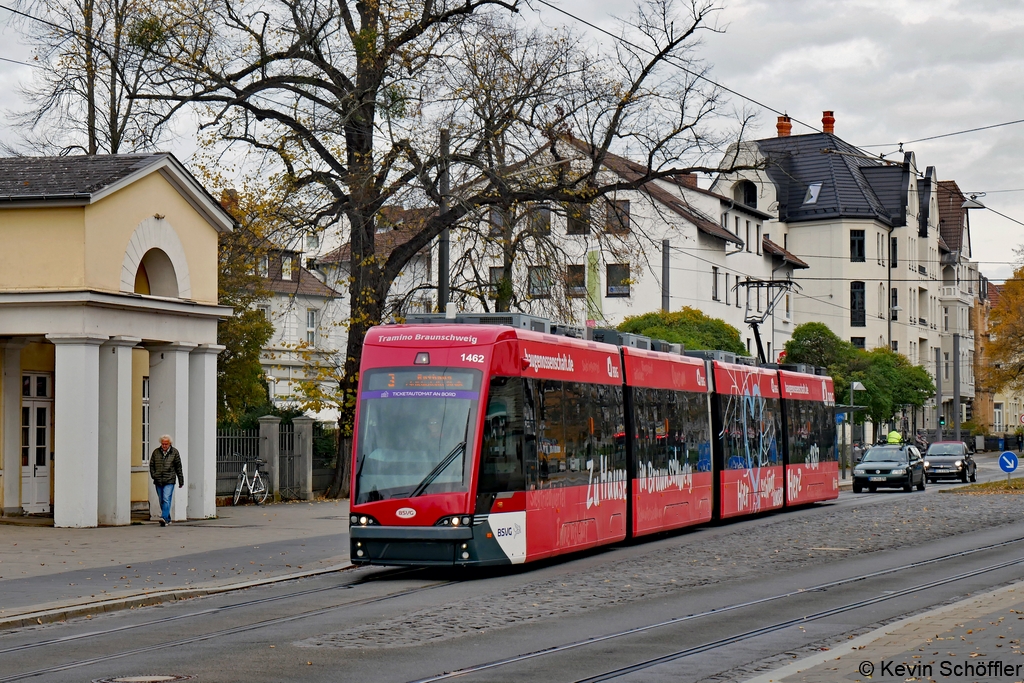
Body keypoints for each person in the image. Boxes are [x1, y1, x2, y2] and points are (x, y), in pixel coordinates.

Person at [149, 435, 184, 526]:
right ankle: (167, 519)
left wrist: (181, 480)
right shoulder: (156, 452)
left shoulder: (174, 453)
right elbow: (151, 465)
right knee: (161, 500)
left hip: (169, 479)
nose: (164, 446)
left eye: (166, 444)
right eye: (163, 444)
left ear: (170, 444)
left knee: (166, 499)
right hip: (158, 480)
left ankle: (163, 517)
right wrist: (154, 475)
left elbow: (178, 467)